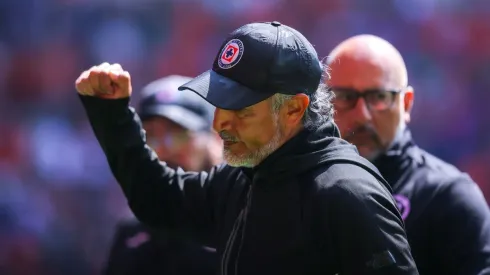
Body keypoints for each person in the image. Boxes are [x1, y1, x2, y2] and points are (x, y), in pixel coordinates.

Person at [75, 21, 419, 274]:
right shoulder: (243, 178)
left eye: (240, 108)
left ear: (294, 109)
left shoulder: (347, 193)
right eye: (219, 104)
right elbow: (158, 200)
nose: (219, 122)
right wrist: (112, 115)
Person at [326, 34, 490, 275]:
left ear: (406, 104)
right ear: (322, 103)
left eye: (379, 97)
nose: (362, 115)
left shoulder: (448, 196)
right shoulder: (297, 189)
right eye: (345, 97)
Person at [103, 75, 221, 275]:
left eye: (177, 134)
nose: (162, 150)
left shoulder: (249, 223)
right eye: (150, 136)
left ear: (215, 136)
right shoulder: (132, 234)